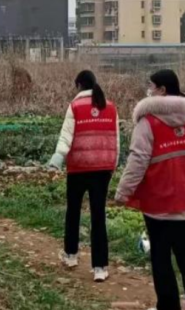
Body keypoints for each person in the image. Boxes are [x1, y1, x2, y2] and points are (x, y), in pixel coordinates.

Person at [115, 69, 185, 310]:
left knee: (161, 258)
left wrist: (123, 192)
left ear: (162, 90)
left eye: (152, 86)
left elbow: (137, 160)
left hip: (158, 205)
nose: (149, 90)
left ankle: (168, 305)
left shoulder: (147, 123)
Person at [48, 69, 119, 283]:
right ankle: (100, 268)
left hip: (78, 168)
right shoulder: (110, 107)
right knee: (98, 216)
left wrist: (57, 158)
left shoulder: (75, 106)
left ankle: (71, 256)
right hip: (103, 169)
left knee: (73, 212)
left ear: (79, 85)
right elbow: (115, 139)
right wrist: (113, 164)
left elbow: (66, 136)